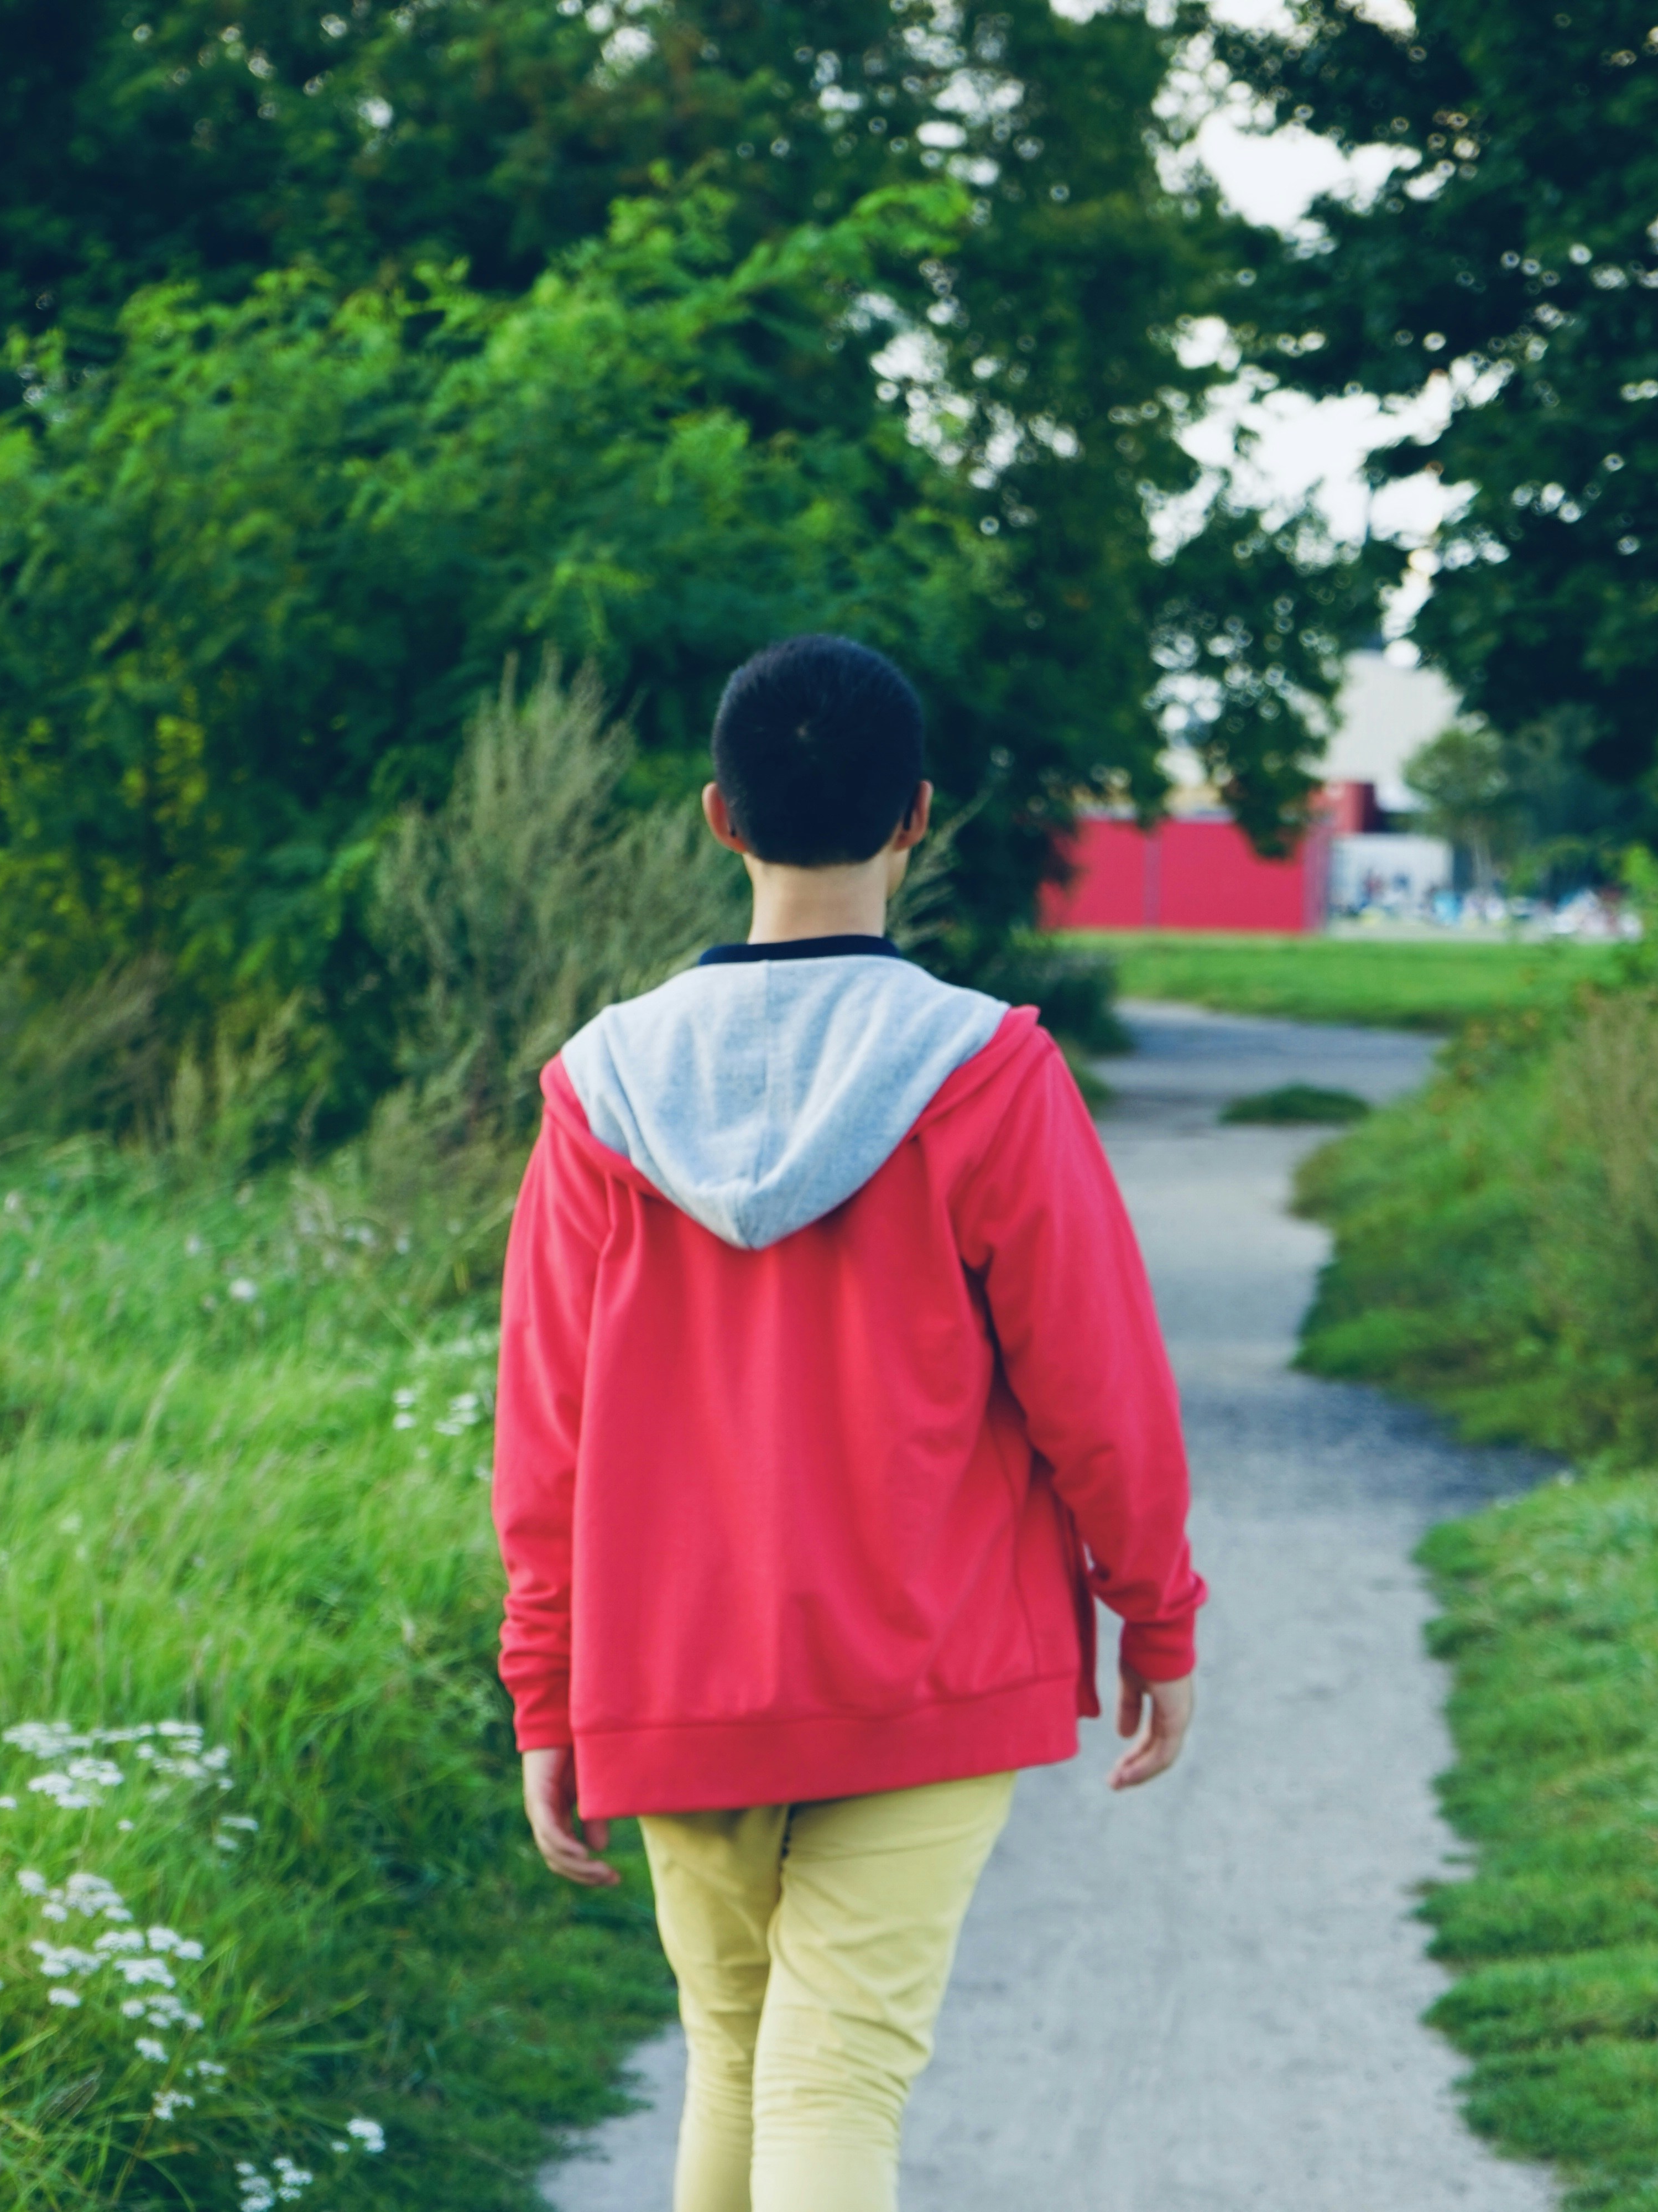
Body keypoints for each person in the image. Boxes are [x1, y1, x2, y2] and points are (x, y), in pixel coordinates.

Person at [491, 634, 1207, 2212]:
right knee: (837, 2081)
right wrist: (1155, 1618)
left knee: (739, 2064)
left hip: (673, 1672)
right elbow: (1101, 1390)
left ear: (719, 819)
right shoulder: (983, 1074)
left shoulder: (599, 1093)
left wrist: (545, 1682)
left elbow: (544, 1432)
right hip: (921, 1664)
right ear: (917, 819)